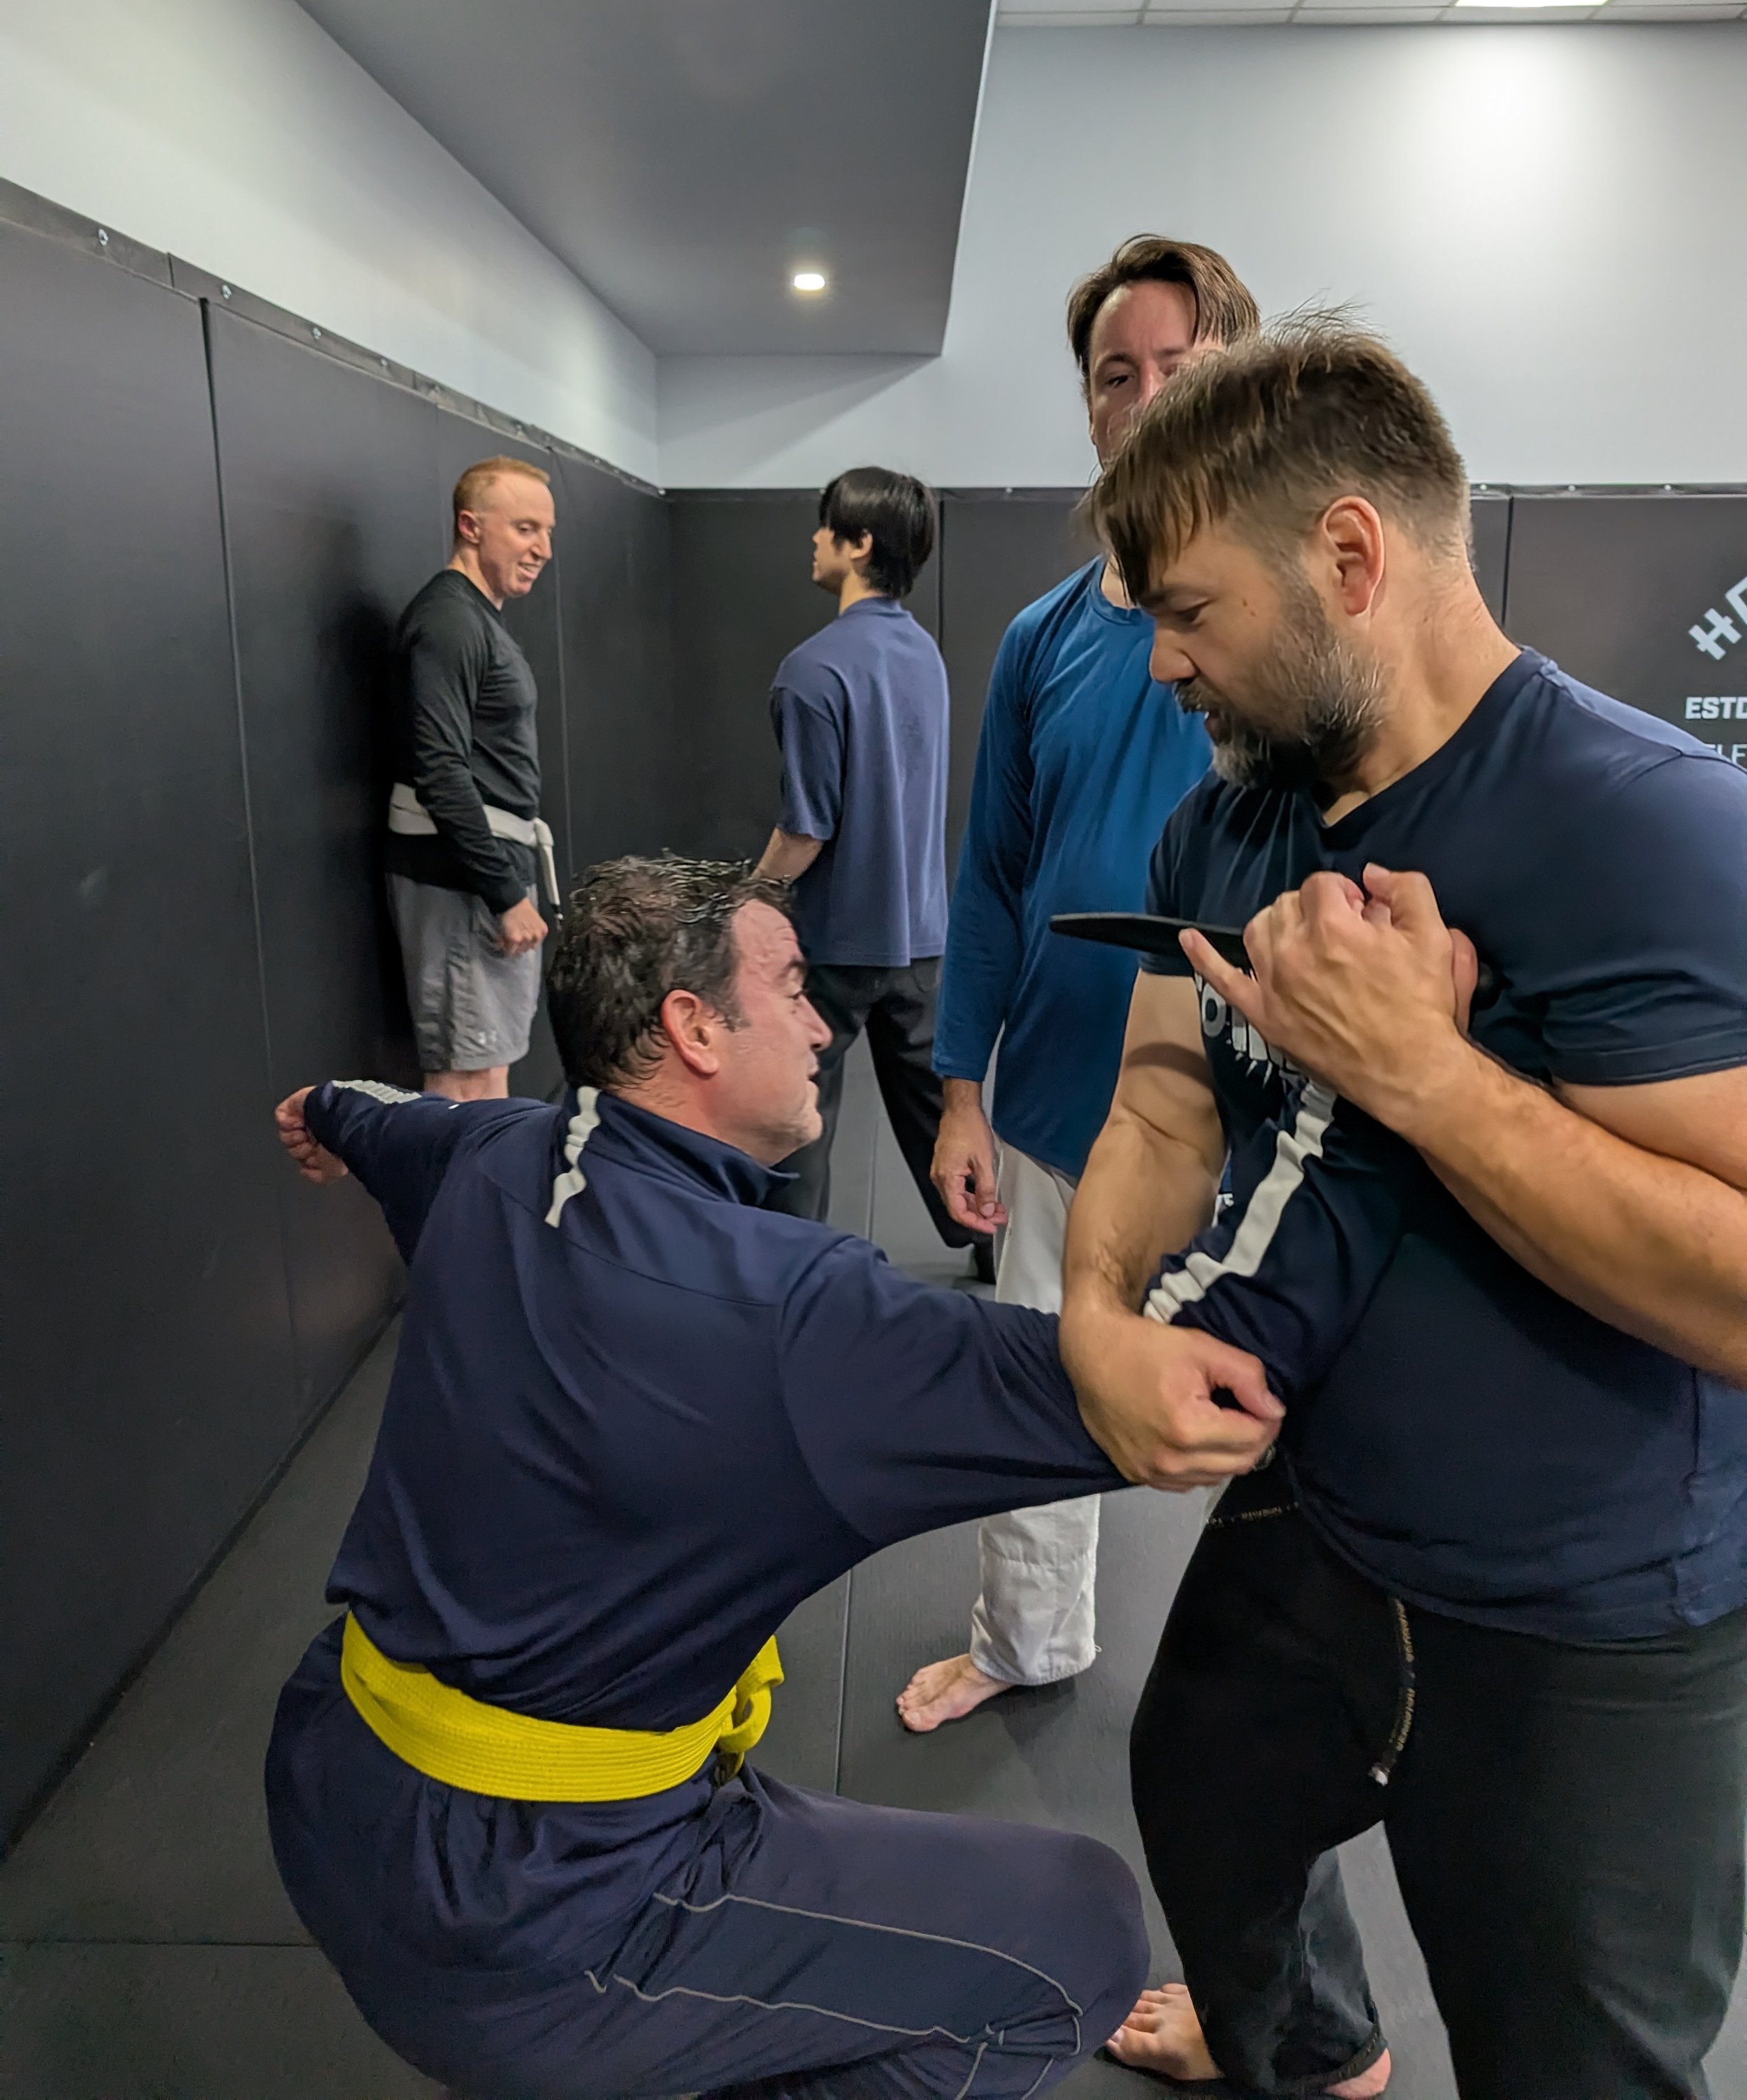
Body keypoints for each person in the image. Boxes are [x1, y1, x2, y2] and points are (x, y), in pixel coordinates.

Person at [262, 855, 1289, 2100]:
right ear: (691, 1027)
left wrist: (321, 1114)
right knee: (1082, 1935)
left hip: (332, 1792)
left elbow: (365, 1115)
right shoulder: (800, 1323)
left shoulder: (481, 1152)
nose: (820, 1022)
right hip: (533, 1919)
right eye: (790, 986)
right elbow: (1197, 1390)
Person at [1062, 319, 1747, 2099]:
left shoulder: (1647, 832)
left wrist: (1427, 1081)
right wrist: (1093, 1306)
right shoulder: (1229, 826)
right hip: (1320, 1523)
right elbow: (1162, 1088)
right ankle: (1322, 2053)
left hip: (1588, 1615)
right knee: (1200, 1807)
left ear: (1349, 560)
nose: (1159, 664)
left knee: (1573, 2063)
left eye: (1190, 611)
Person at [901, 237, 1259, 1733]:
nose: (1145, 396)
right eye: (1118, 374)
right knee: (1048, 1383)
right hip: (1056, 1098)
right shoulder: (1044, 638)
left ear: (1236, 381)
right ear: (1091, 409)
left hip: (1248, 1118)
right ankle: (1026, 1637)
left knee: (1275, 1424)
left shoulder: (1289, 628)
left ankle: (1282, 1713)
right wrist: (960, 1092)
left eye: (1180, 366)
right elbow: (988, 877)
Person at [757, 468, 977, 1264]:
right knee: (940, 1115)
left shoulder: (810, 670)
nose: (813, 542)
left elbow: (806, 829)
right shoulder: (925, 655)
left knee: (798, 1113)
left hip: (831, 947)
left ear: (857, 546)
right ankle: (993, 1243)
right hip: (921, 942)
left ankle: (790, 1272)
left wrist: (747, 899)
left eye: (826, 529)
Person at [385, 456, 559, 1101]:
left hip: (483, 881)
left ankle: (487, 1203)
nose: (541, 548)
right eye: (524, 528)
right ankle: (460, 1205)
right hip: (462, 887)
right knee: (463, 1079)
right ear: (471, 526)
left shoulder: (477, 618)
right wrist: (503, 891)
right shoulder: (451, 622)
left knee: (489, 1071)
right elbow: (440, 768)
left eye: (547, 531)